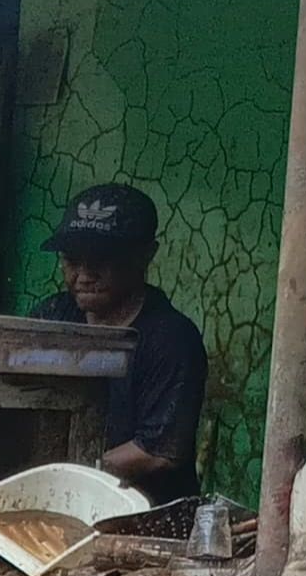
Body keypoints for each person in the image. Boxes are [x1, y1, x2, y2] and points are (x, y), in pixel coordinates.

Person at [27, 182, 209, 504]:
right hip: (58, 494)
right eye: (71, 261)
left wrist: (70, 471)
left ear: (144, 256)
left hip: (145, 512)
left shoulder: (172, 339)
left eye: (100, 261)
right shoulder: (51, 317)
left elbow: (157, 452)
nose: (83, 275)